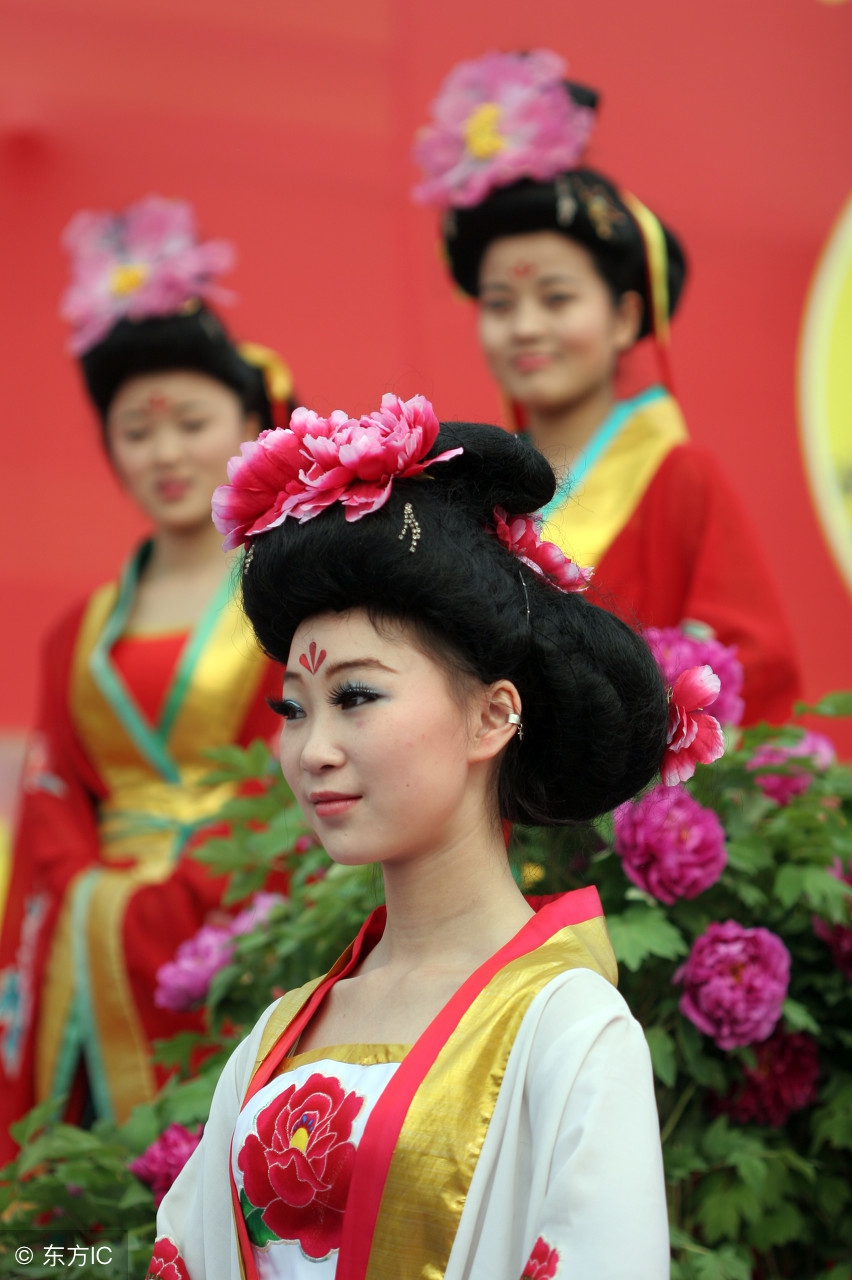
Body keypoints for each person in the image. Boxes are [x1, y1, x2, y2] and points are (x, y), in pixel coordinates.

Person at [147, 392, 723, 1279]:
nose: (313, 750)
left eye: (356, 697)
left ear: (494, 715)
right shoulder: (274, 1037)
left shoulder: (567, 1027)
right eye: (293, 711)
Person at [0, 196, 293, 1160]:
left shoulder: (291, 588)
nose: (165, 452)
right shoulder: (77, 631)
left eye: (192, 421)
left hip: (234, 915)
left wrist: (187, 894)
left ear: (253, 418)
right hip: (97, 940)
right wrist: (99, 899)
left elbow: (292, 764)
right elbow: (54, 799)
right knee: (86, 1217)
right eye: (136, 431)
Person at [412, 49, 801, 725]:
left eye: (557, 298)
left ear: (625, 316)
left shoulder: (680, 478)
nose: (526, 327)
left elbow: (750, 667)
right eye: (500, 304)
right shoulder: (471, 490)